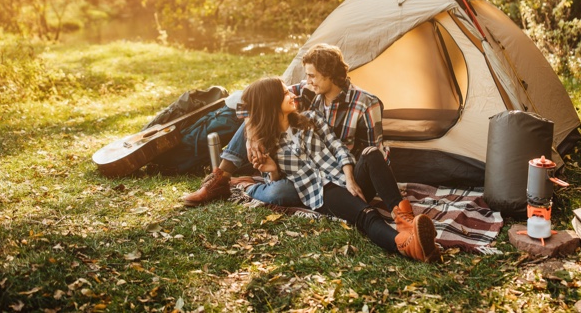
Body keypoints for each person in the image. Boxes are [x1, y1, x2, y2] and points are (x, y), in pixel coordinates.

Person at [238, 76, 439, 262]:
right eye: (285, 93)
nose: (293, 95)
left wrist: (350, 177)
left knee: (371, 153)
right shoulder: (266, 143)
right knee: (367, 215)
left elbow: (337, 146)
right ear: (271, 102)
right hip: (322, 193)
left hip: (345, 179)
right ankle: (408, 246)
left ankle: (406, 222)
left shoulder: (310, 118)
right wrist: (273, 169)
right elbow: (275, 185)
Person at [182, 43, 383, 207]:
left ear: (329, 73)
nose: (307, 81)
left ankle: (247, 185)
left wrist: (344, 177)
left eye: (311, 75)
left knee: (282, 192)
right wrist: (252, 133)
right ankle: (219, 180)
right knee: (257, 117)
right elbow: (251, 104)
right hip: (295, 166)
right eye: (307, 76)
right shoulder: (307, 90)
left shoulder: (365, 104)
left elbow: (373, 154)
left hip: (337, 172)